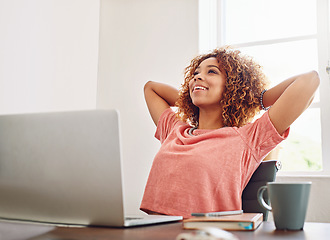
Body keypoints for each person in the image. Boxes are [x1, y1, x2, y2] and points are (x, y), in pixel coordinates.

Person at [140, 47, 320, 218]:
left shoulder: (247, 138)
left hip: (207, 234)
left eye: (211, 72)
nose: (198, 77)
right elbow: (150, 88)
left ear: (233, 86)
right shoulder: (175, 130)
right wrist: (192, 95)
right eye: (195, 74)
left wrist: (253, 98)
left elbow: (310, 80)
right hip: (156, 230)